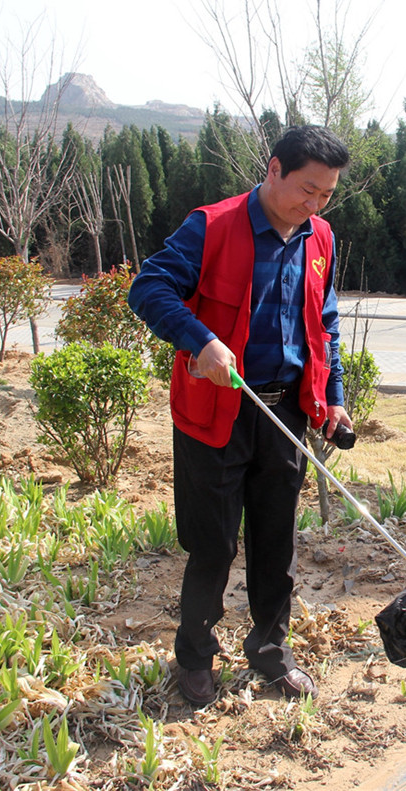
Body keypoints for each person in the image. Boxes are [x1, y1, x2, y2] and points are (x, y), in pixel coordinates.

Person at [128, 125, 352, 707]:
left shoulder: (320, 239)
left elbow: (324, 325)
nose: (314, 204)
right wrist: (199, 340)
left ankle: (270, 651)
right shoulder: (213, 226)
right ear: (273, 169)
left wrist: (336, 398)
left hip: (285, 415)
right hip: (216, 414)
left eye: (325, 195)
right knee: (214, 545)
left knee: (276, 542)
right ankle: (195, 657)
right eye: (307, 189)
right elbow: (148, 287)